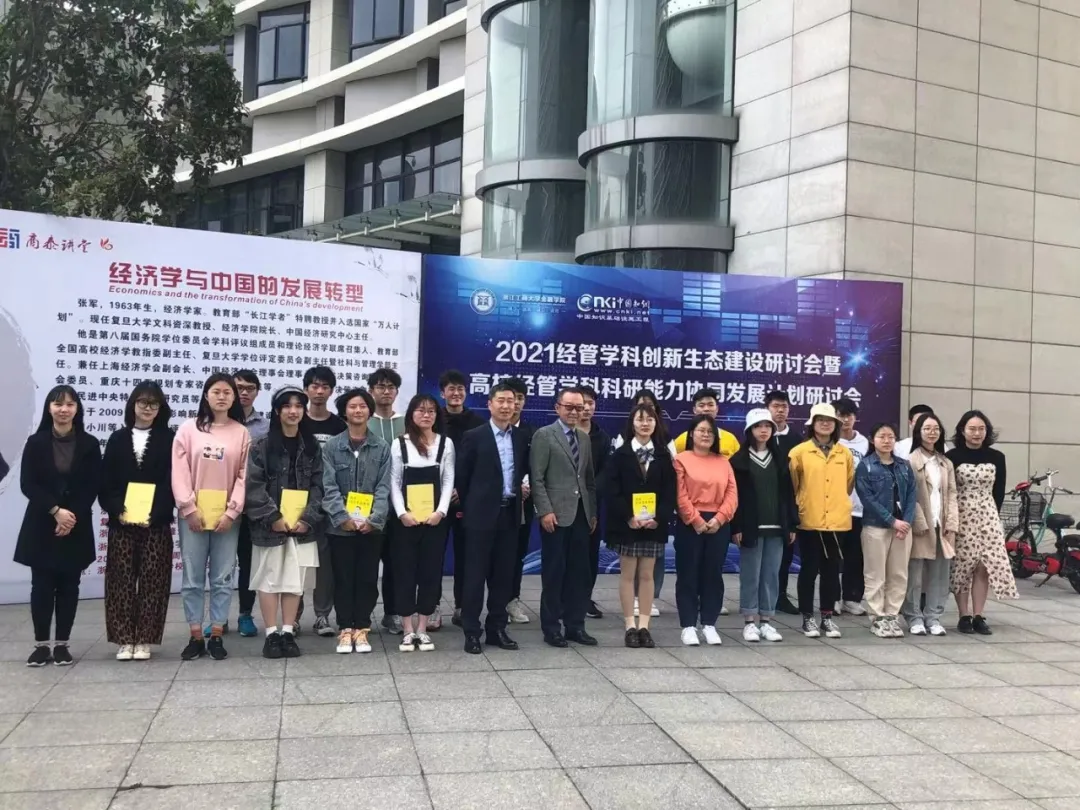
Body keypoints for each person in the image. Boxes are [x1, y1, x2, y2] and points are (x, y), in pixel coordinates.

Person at [15, 386, 101, 667]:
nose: (64, 409)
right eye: (58, 404)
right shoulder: (35, 442)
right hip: (42, 523)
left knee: (69, 586)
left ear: (77, 409)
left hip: (75, 525)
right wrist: (55, 511)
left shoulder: (89, 444)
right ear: (49, 408)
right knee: (41, 586)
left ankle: (62, 644)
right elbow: (28, 484)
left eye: (70, 404)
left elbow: (92, 484)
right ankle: (41, 645)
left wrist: (69, 516)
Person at [172, 373, 251, 661]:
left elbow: (244, 475)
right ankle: (195, 635)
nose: (222, 396)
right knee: (192, 578)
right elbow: (179, 472)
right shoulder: (188, 429)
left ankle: (216, 633)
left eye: (227, 392)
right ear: (206, 395)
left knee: (222, 577)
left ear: (234, 398)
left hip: (227, 519)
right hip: (192, 516)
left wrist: (232, 512)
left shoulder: (241, 433)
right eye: (216, 391)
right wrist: (188, 508)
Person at [244, 386, 324, 659]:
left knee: (294, 581)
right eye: (287, 406)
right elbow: (253, 485)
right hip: (270, 526)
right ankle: (271, 634)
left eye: (298, 406)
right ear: (277, 411)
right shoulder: (261, 445)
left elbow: (319, 485)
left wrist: (308, 518)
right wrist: (273, 517)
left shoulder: (312, 446)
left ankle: (288, 632)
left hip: (301, 526)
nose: (293, 411)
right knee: (269, 581)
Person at [99, 382, 175, 661]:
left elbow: (173, 481)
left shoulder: (170, 439)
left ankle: (144, 639)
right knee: (120, 581)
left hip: (156, 523)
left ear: (161, 408)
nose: (147, 408)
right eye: (142, 402)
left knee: (154, 581)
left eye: (154, 404)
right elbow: (105, 482)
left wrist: (155, 513)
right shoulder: (118, 438)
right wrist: (118, 510)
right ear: (132, 405)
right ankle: (124, 639)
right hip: (122, 523)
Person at [455, 383, 529, 654]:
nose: (507, 406)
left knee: (503, 576)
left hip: (510, 514)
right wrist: (472, 508)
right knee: (475, 577)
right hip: (480, 517)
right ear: (490, 404)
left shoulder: (521, 437)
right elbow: (462, 478)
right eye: (501, 400)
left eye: (511, 401)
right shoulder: (474, 436)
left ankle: (497, 628)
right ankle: (472, 631)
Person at [322, 388, 392, 654]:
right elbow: (327, 486)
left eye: (363, 406)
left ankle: (362, 628)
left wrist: (374, 519)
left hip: (371, 528)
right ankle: (345, 629)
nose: (358, 410)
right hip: (340, 528)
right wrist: (342, 517)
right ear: (344, 411)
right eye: (352, 406)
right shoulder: (332, 446)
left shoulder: (381, 447)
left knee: (367, 579)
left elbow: (384, 487)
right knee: (342, 579)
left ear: (369, 411)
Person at [531, 387, 598, 648]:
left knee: (579, 573)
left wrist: (592, 512)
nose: (574, 412)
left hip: (581, 515)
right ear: (557, 407)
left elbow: (588, 480)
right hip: (555, 516)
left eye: (579, 408)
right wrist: (545, 510)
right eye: (569, 407)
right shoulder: (544, 435)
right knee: (554, 573)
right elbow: (537, 478)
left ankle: (575, 626)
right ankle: (551, 628)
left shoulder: (584, 438)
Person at [606, 403, 676, 649]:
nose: (645, 424)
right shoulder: (621, 454)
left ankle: (644, 626)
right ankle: (629, 626)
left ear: (656, 423)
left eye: (650, 419)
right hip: (628, 525)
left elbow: (670, 491)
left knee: (647, 575)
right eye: (640, 419)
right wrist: (628, 517)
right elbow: (612, 490)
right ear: (632, 423)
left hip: (654, 525)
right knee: (627, 575)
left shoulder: (663, 455)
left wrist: (660, 517)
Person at [391, 394, 455, 652]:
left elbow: (448, 479)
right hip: (405, 522)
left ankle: (423, 628)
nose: (426, 415)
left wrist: (441, 512)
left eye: (431, 411)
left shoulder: (445, 443)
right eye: (421, 410)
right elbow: (394, 481)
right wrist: (401, 513)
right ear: (412, 414)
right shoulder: (400, 443)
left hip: (434, 521)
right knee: (405, 572)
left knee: (430, 573)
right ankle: (407, 629)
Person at [788, 403, 855, 639]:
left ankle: (827, 617)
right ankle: (808, 617)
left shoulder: (844, 453)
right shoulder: (799, 452)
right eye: (820, 420)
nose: (825, 424)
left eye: (830, 421)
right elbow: (794, 485)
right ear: (812, 424)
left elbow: (848, 484)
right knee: (808, 570)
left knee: (831, 571)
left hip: (837, 521)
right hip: (810, 520)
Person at [947, 410, 1017, 634]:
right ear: (962, 431)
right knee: (962, 565)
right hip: (962, 515)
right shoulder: (953, 456)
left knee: (983, 566)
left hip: (988, 516)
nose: (977, 433)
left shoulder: (997, 457)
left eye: (981, 429)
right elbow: (950, 490)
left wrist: (992, 516)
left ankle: (978, 615)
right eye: (972, 429)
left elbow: (999, 491)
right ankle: (963, 615)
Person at [730, 409, 796, 643]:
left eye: (768, 426)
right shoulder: (738, 461)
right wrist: (736, 527)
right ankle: (749, 621)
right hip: (751, 527)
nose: (764, 430)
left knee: (771, 575)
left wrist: (791, 524)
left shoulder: (781, 459)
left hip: (777, 527)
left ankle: (766, 621)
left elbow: (788, 495)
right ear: (750, 430)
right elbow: (735, 497)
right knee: (751, 575)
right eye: (758, 426)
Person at [674, 414, 738, 646]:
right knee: (688, 573)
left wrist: (720, 519)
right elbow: (680, 494)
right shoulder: (680, 460)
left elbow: (732, 494)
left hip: (718, 523)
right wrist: (695, 520)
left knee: (713, 574)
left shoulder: (723, 462)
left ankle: (709, 623)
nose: (705, 435)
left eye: (710, 432)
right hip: (690, 523)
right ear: (692, 433)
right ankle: (688, 625)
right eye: (701, 430)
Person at [855, 423, 917, 638]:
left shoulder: (904, 465)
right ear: (872, 440)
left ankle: (892, 615)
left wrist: (905, 522)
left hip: (902, 530)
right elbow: (867, 499)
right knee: (875, 574)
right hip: (876, 527)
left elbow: (912, 495)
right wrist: (892, 521)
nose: (887, 440)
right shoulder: (865, 466)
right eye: (882, 436)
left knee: (898, 574)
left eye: (891, 436)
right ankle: (877, 617)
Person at [903, 413, 958, 637]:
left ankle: (933, 617)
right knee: (914, 575)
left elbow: (952, 493)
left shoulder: (945, 462)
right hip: (920, 524)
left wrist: (952, 522)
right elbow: (908, 495)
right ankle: (913, 617)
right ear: (918, 432)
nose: (932, 432)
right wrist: (917, 520)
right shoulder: (910, 461)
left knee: (939, 575)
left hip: (941, 525)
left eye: (936, 428)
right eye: (927, 428)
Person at [438, 369, 486, 628]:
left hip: (466, 498)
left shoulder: (478, 422)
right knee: (433, 555)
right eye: (451, 389)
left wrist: (462, 489)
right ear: (442, 393)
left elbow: (480, 462)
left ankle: (462, 606)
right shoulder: (433, 419)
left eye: (460, 389)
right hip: (435, 499)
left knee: (466, 556)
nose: (456, 393)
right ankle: (432, 606)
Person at [303, 365, 347, 638]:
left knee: (325, 565)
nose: (319, 392)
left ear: (331, 391)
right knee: (296, 563)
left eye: (325, 387)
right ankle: (293, 618)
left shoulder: (339, 426)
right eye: (315, 386)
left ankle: (322, 616)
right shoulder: (296, 420)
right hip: (299, 503)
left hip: (330, 503)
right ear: (306, 389)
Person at [367, 367, 405, 635]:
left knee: (395, 563)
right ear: (371, 391)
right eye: (380, 386)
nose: (386, 391)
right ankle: (364, 614)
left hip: (401, 505)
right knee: (367, 563)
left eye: (391, 387)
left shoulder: (407, 424)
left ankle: (392, 613)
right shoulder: (362, 421)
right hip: (368, 504)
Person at [233, 369, 268, 640]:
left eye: (250, 388)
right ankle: (216, 619)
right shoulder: (217, 423)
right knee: (220, 566)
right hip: (220, 506)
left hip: (252, 506)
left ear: (257, 392)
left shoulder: (265, 427)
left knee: (248, 563)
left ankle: (245, 614)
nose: (244, 392)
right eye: (239, 387)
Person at [766, 390, 803, 616]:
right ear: (767, 408)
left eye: (784, 407)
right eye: (776, 406)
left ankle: (781, 595)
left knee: (786, 553)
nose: (780, 410)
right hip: (764, 503)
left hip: (789, 503)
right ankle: (761, 596)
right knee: (762, 554)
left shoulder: (797, 440)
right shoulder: (760, 435)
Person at [504, 376, 535, 626]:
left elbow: (538, 467)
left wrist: (529, 485)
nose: (514, 403)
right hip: (494, 504)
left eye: (520, 398)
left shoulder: (533, 433)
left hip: (523, 505)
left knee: (516, 555)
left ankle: (512, 600)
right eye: (510, 398)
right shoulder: (487, 430)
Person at [578, 384, 611, 620]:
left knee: (590, 554)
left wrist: (589, 494)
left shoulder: (602, 437)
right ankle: (563, 599)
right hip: (565, 504)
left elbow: (606, 472)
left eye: (591, 403)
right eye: (582, 404)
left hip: (592, 505)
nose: (586, 408)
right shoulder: (562, 434)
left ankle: (585, 598)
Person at [834, 397, 869, 616]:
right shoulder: (830, 442)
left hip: (860, 509)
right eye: (840, 415)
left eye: (848, 415)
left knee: (856, 557)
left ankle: (852, 598)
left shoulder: (865, 443)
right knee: (833, 557)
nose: (844, 420)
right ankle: (833, 598)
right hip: (836, 509)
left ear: (855, 417)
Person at [673, 387, 741, 458]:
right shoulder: (682, 440)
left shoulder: (730, 439)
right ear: (694, 410)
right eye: (701, 405)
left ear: (717, 409)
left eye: (710, 405)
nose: (706, 409)